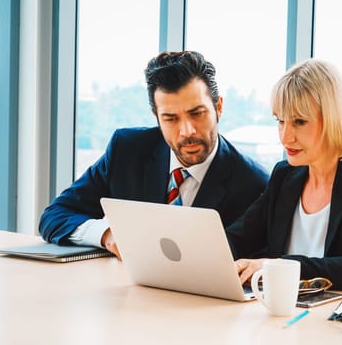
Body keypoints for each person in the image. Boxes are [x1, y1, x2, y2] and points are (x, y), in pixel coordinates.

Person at [39, 51, 269, 259]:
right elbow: (55, 216)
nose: (187, 131)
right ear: (156, 116)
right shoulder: (127, 151)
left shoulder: (254, 183)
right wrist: (108, 235)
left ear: (218, 107)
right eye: (171, 118)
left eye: (197, 113)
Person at [227, 58, 342, 291]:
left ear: (333, 120)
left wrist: (282, 267)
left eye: (299, 121)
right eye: (280, 121)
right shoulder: (285, 176)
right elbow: (238, 238)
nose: (285, 136)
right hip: (287, 314)